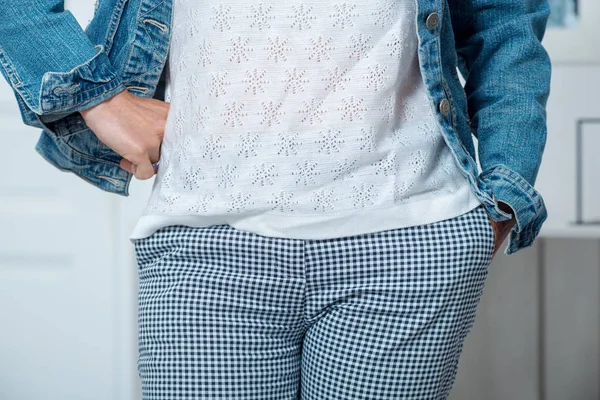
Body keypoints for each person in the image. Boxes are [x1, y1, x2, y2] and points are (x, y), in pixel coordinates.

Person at [0, 0, 551, 398]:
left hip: (406, 242)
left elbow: (504, 22)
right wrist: (99, 101)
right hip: (205, 246)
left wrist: (504, 195)